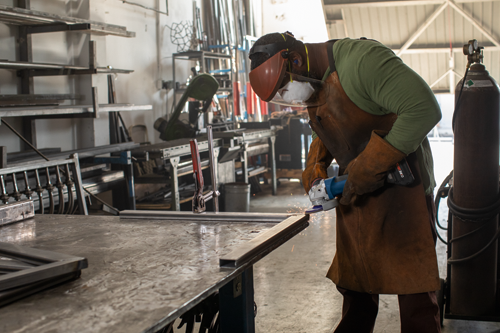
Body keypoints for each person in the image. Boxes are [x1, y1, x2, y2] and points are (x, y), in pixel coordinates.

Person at [248, 32, 442, 333]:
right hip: (356, 192)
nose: (287, 100)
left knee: (415, 295)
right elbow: (327, 123)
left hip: (404, 193)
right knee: (356, 289)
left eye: (284, 89)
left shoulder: (363, 62)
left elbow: (423, 109)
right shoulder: (311, 80)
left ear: (296, 60)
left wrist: (365, 170)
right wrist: (315, 167)